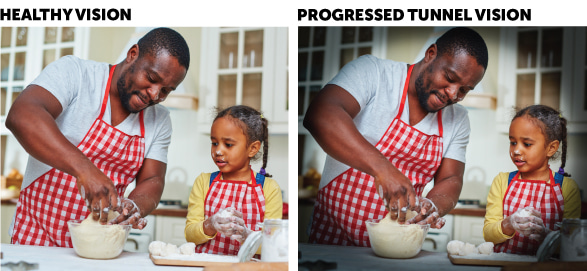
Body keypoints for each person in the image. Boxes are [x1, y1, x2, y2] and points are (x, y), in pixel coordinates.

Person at [5, 27, 190, 247]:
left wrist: (134, 205)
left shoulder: (159, 120)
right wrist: (86, 170)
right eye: (151, 78)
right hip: (35, 239)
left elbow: (152, 180)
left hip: (100, 250)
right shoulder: (76, 74)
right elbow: (21, 115)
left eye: (166, 90)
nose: (155, 94)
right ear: (132, 54)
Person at [304, 27, 488, 246]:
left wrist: (432, 205)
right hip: (332, 242)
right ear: (430, 54)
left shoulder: (457, 119)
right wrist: (383, 169)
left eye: (464, 90)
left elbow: (451, 179)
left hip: (399, 249)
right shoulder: (374, 73)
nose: (453, 94)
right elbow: (320, 115)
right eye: (449, 77)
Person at [185, 105, 283, 255]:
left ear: (252, 148)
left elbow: (272, 243)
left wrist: (246, 236)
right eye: (214, 143)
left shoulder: (268, 188)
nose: (218, 151)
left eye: (228, 145)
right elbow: (190, 235)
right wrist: (210, 224)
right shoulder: (204, 182)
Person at [483, 105, 581, 255]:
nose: (516, 150)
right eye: (513, 142)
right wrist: (509, 223)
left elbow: (572, 244)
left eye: (527, 144)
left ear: (551, 148)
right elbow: (488, 234)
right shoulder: (502, 181)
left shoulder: (567, 187)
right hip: (505, 265)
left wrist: (546, 236)